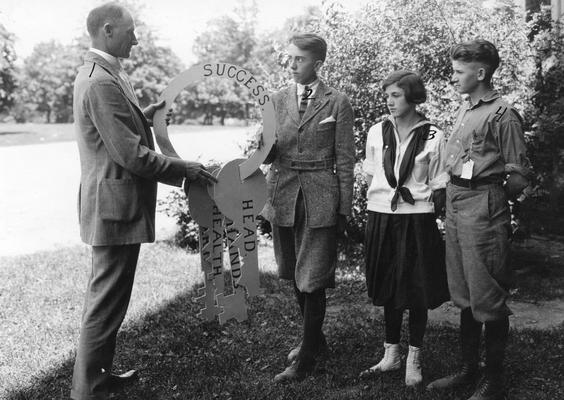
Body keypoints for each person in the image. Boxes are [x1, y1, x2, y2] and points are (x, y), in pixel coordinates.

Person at [71, 3, 216, 400]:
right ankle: (87, 391)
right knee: (105, 305)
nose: (136, 39)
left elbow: (117, 130)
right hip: (114, 209)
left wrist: (143, 114)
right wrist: (183, 169)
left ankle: (99, 377)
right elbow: (130, 155)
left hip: (113, 206)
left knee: (110, 301)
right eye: (131, 31)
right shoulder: (101, 81)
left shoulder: (103, 73)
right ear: (107, 30)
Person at [426, 39, 532, 400]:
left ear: (481, 73)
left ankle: (493, 379)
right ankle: (469, 370)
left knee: (486, 293)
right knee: (466, 292)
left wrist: (493, 199)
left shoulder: (502, 114)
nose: (453, 77)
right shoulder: (466, 109)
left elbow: (518, 173)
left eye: (459, 71)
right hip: (457, 203)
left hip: (483, 205)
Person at [261, 33, 355, 382]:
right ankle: (315, 343)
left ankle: (305, 361)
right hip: (283, 194)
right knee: (293, 275)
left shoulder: (337, 102)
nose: (290, 64)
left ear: (317, 64)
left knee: (312, 279)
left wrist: (343, 209)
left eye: (297, 59)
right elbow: (266, 153)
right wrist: (264, 147)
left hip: (320, 196)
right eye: (288, 58)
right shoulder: (275, 99)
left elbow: (345, 160)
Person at [359, 70, 450, 387]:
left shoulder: (434, 135)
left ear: (412, 97)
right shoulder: (375, 132)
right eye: (387, 96)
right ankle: (390, 353)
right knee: (388, 284)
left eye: (395, 95)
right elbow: (371, 175)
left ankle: (414, 357)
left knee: (416, 288)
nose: (389, 101)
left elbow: (439, 184)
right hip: (382, 215)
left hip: (417, 218)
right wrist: (385, 201)